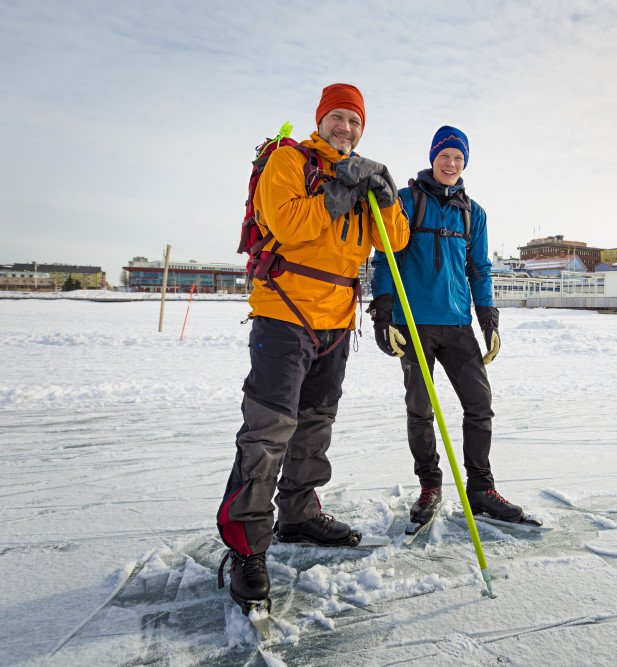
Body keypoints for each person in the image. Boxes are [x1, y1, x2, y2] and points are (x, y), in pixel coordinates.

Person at [216, 83, 410, 615]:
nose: (346, 129)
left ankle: (298, 513)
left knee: (315, 424)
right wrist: (339, 192)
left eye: (355, 122)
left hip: (337, 322)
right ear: (321, 120)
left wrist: (385, 196)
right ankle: (246, 546)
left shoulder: (363, 177)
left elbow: (393, 241)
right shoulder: (288, 160)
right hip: (284, 312)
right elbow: (289, 224)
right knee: (268, 430)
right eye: (338, 118)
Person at [369, 125, 530, 529]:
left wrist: (488, 318)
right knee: (420, 410)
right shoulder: (404, 201)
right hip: (414, 323)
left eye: (459, 158)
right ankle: (430, 486)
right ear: (433, 157)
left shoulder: (474, 212)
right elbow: (385, 257)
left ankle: (480, 489)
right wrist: (383, 311)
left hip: (458, 325)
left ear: (465, 163)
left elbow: (479, 268)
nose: (451, 163)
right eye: (445, 156)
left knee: (479, 406)